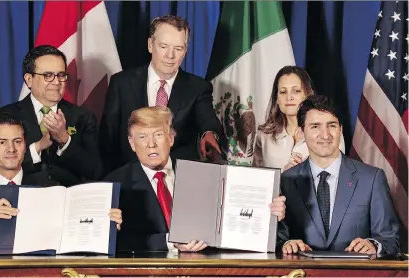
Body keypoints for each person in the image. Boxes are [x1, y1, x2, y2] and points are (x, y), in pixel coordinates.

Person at [104, 106, 286, 252]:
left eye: (158, 135)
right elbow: (119, 242)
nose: (151, 144)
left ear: (171, 138)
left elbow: (234, 219)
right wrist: (171, 241)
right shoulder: (115, 184)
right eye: (142, 137)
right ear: (131, 143)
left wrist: (270, 213)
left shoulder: (203, 173)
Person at [0, 113, 122, 260]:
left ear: (24, 145)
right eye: (2, 142)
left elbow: (73, 239)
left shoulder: (50, 187)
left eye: (17, 141)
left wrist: (106, 224)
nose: (11, 149)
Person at [100, 15, 225, 176]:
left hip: (177, 179)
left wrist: (209, 134)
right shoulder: (121, 83)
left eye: (178, 48)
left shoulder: (197, 88)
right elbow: (108, 140)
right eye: (164, 46)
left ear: (185, 51)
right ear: (150, 45)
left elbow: (208, 120)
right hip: (130, 181)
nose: (170, 56)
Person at [278, 95, 400, 255]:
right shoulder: (286, 181)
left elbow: (391, 240)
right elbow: (277, 238)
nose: (325, 135)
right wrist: (286, 244)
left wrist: (374, 246)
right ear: (302, 132)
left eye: (332, 125)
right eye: (315, 126)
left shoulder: (372, 179)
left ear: (341, 129)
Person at [0, 45, 102, 186]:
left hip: (67, 200)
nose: (56, 82)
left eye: (61, 75)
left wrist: (65, 140)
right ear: (29, 80)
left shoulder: (83, 117)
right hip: (24, 199)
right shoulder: (7, 116)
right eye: (48, 75)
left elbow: (94, 171)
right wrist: (38, 147)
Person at [253, 66, 345, 171]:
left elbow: (336, 175)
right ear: (277, 99)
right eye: (283, 92)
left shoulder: (328, 132)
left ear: (308, 94)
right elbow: (257, 179)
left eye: (296, 91)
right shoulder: (264, 134)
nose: (289, 97)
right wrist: (284, 175)